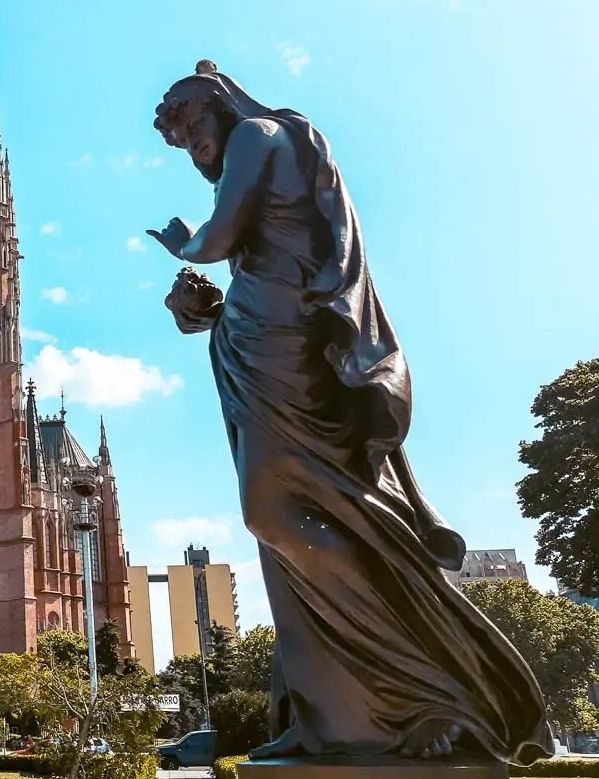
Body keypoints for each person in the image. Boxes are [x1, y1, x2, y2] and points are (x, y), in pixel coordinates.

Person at [149, 60, 553, 764]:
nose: (193, 146)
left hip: (287, 363)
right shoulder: (266, 153)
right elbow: (265, 267)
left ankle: (420, 684)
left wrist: (183, 239)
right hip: (265, 354)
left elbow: (216, 242)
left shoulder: (259, 137)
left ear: (217, 105)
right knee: (289, 536)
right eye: (183, 142)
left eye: (193, 127)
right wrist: (212, 313)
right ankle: (331, 712)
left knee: (277, 514)